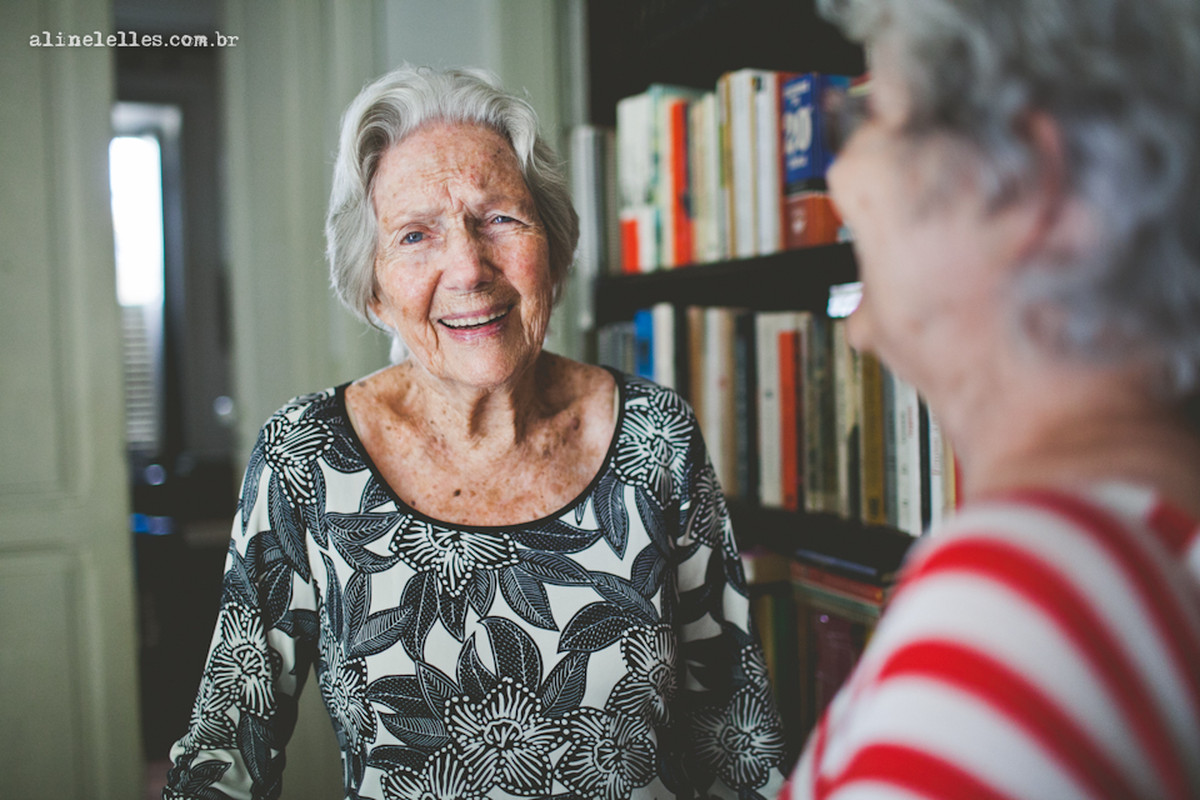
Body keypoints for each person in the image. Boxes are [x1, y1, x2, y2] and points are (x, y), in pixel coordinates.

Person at [164, 65, 788, 800]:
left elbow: (738, 746)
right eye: (416, 235)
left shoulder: (657, 438)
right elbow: (223, 755)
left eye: (498, 218)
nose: (468, 267)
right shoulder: (304, 460)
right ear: (373, 288)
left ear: (551, 249)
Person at [781, 0, 1200, 798]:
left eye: (874, 115)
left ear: (1029, 185)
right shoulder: (1151, 534)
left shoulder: (1024, 600)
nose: (838, 171)